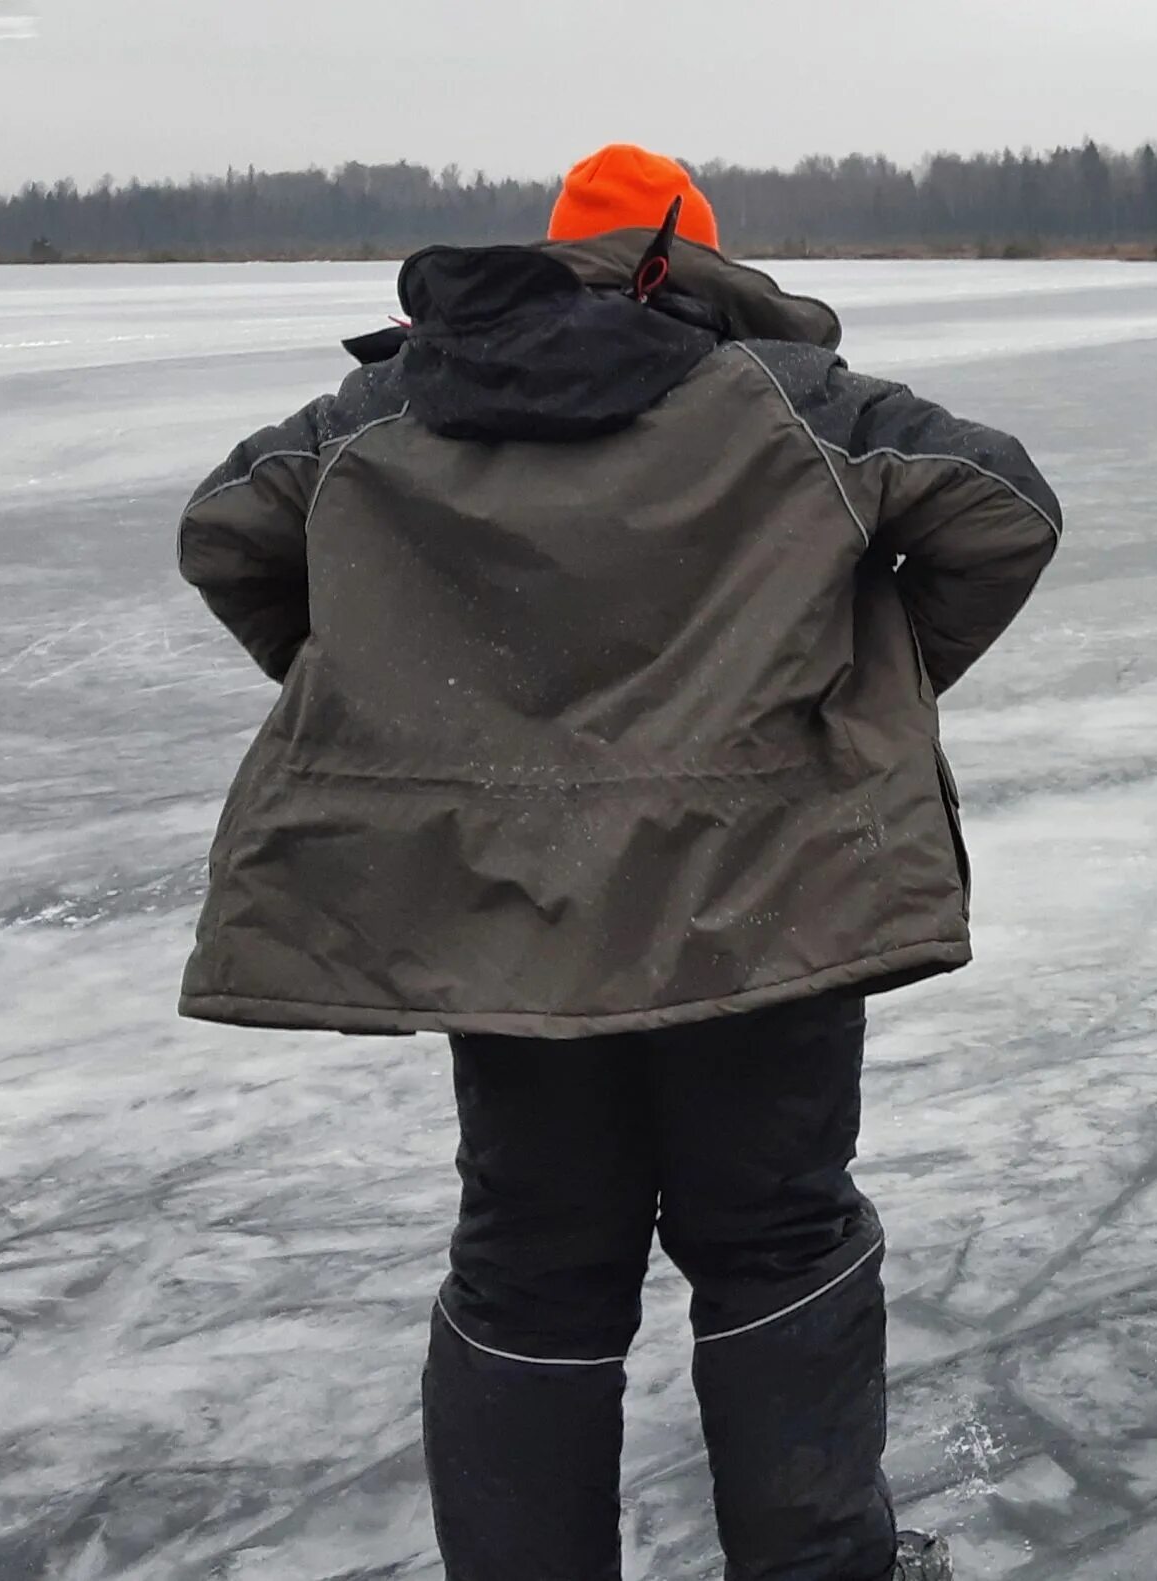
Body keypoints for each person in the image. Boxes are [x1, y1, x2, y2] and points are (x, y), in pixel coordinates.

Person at [173, 143, 1060, 1581]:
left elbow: (230, 533)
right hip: (761, 904)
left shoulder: (390, 406)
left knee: (530, 1267)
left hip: (504, 915)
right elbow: (1002, 511)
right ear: (691, 258)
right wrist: (842, 710)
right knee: (777, 1240)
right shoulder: (791, 402)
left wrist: (426, 727)